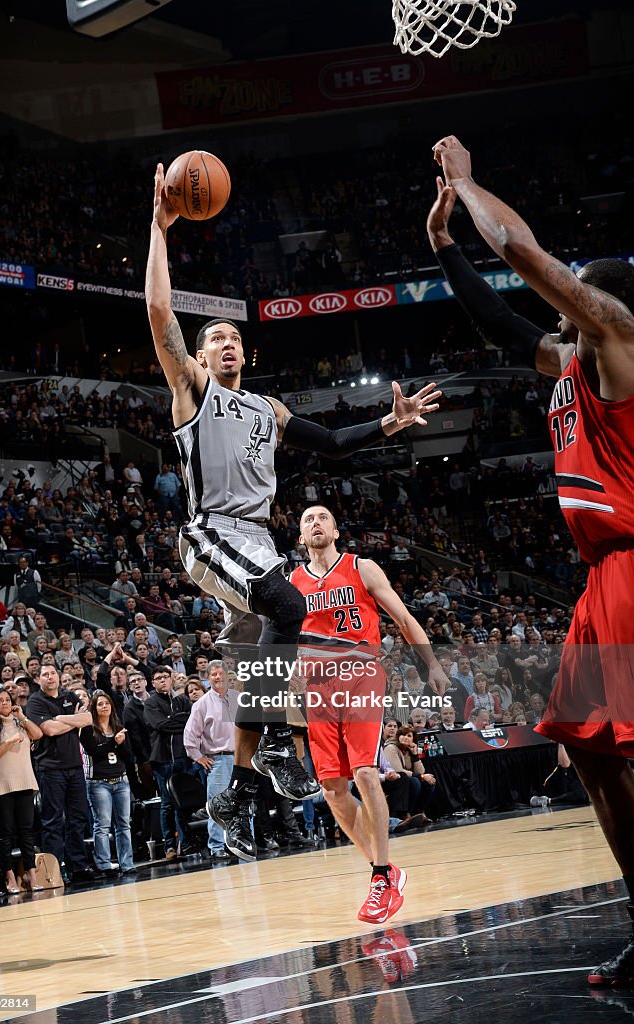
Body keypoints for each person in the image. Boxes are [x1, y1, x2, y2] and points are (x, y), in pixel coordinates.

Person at [146, 164, 441, 859]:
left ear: (245, 352)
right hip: (210, 533)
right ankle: (279, 743)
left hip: (253, 541)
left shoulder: (269, 408)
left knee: (262, 659)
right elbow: (159, 315)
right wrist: (159, 230)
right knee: (289, 608)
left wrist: (389, 426)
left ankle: (241, 785)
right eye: (213, 337)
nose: (225, 343)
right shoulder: (192, 391)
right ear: (198, 355)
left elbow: (335, 443)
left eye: (233, 337)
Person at [429, 136, 634, 985]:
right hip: (599, 583)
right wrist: (442, 242)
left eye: (578, 289)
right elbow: (498, 313)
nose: (565, 297)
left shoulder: (617, 339)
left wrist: (470, 184)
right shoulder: (561, 362)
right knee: (588, 755)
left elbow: (519, 253)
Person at [290, 505, 450, 922]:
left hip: (360, 672)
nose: (316, 523)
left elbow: (402, 617)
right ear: (300, 538)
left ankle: (380, 875)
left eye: (324, 516)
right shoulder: (292, 582)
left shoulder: (362, 567)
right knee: (332, 790)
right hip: (317, 687)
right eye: (308, 520)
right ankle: (386, 871)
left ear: (337, 529)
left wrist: (432, 664)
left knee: (364, 772)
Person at [25, 664, 96, 885]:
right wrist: (70, 721)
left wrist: (58, 719)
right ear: (38, 679)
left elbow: (87, 719)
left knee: (78, 819)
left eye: (53, 673)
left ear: (58, 676)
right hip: (50, 768)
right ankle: (54, 870)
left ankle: (79, 865)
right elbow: (49, 730)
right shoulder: (35, 701)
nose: (50, 677)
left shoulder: (70, 695)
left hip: (75, 766)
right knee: (53, 821)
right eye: (45, 674)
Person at [0, 688, 43, 894]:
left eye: (8, 699)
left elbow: (38, 734)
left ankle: (32, 876)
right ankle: (10, 879)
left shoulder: (19, 722)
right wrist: (8, 742)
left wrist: (22, 717)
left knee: (27, 832)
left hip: (25, 782)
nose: (5, 703)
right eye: (0, 701)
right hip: (2, 785)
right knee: (6, 833)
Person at [183, 661, 241, 862]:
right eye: (214, 674)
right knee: (218, 805)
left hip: (241, 758)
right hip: (218, 759)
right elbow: (190, 737)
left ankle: (242, 842)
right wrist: (199, 757)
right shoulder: (202, 704)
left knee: (242, 803)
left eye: (221, 673)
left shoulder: (238, 698)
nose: (218, 677)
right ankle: (216, 846)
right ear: (208, 678)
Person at [80, 691, 135, 876]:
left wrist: (121, 743)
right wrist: (114, 743)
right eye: (100, 704)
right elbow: (95, 751)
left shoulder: (118, 727)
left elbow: (128, 756)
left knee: (124, 825)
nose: (104, 706)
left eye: (107, 703)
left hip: (121, 780)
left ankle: (127, 863)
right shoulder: (88, 729)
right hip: (98, 782)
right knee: (102, 825)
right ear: (94, 709)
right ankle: (103, 864)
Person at [143, 665, 192, 860]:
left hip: (184, 757)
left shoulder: (182, 700)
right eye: (158, 678)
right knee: (167, 804)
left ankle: (187, 843)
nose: (163, 680)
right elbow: (161, 725)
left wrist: (174, 720)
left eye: (166, 677)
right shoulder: (151, 703)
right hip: (163, 759)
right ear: (153, 683)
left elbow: (191, 722)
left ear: (172, 679)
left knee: (185, 803)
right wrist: (177, 721)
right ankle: (169, 846)